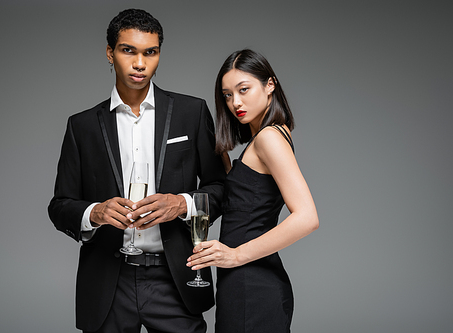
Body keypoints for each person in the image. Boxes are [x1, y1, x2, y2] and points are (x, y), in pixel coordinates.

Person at [48, 9, 225, 333]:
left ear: (159, 54)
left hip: (175, 278)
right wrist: (95, 212)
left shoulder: (192, 112)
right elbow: (59, 206)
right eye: (128, 50)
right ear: (110, 53)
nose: (140, 63)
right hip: (107, 283)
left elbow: (220, 188)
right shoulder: (82, 126)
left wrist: (182, 204)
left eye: (150, 52)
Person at [187, 49, 319, 332]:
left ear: (270, 85)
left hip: (252, 284)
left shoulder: (269, 138)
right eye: (227, 95)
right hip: (247, 281)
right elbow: (251, 199)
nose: (236, 102)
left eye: (243, 89)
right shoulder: (271, 135)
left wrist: (234, 256)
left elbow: (307, 217)